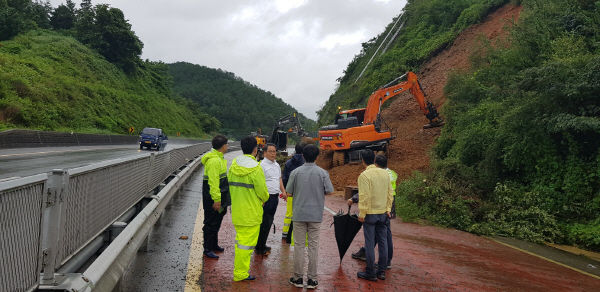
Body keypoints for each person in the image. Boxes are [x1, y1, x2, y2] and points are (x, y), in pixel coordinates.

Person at [286, 144, 334, 289]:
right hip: (315, 215)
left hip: (299, 214)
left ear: (303, 156)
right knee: (313, 246)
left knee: (299, 246)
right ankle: (312, 279)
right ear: (317, 156)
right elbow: (330, 191)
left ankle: (298, 278)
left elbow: (288, 192)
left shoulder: (295, 172)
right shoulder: (323, 173)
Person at [228, 136, 270, 281]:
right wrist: (265, 199)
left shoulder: (233, 165)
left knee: (240, 242)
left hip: (237, 211)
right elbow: (263, 193)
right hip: (251, 213)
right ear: (255, 150)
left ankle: (239, 270)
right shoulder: (256, 169)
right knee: (246, 245)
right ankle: (240, 273)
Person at [348, 155, 394, 268]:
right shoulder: (387, 174)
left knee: (369, 242)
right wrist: (388, 209)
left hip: (371, 213)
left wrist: (362, 213)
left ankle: (370, 271)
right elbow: (390, 193)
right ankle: (382, 270)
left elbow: (364, 196)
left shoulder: (365, 175)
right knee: (383, 241)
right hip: (383, 213)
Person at [201, 135, 231, 259]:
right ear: (223, 146)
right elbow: (213, 183)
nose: (228, 146)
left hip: (220, 195)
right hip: (213, 197)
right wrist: (217, 199)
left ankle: (214, 244)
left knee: (217, 219)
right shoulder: (214, 161)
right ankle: (207, 248)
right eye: (227, 144)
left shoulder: (219, 158)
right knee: (211, 221)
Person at [256, 143, 287, 255]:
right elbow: (259, 184)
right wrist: (262, 199)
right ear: (264, 153)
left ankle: (262, 244)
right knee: (263, 222)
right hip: (265, 199)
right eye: (271, 151)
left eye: (274, 151)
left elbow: (279, 179)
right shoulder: (261, 166)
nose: (273, 154)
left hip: (274, 197)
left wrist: (283, 191)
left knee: (268, 222)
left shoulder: (277, 165)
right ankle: (259, 247)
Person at [281, 142, 305, 241]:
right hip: (302, 193)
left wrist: (286, 191)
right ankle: (298, 235)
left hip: (290, 192)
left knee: (289, 213)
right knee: (302, 214)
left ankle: (285, 233)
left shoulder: (288, 163)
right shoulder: (305, 163)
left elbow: (285, 178)